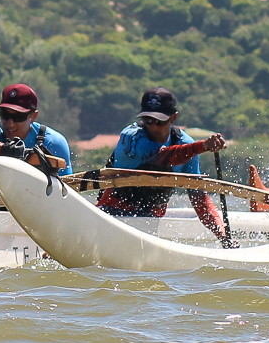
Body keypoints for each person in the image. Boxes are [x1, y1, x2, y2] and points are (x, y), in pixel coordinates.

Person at [94, 88, 229, 240]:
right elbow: (162, 157)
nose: (153, 127)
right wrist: (202, 146)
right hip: (111, 214)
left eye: (160, 121)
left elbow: (199, 200)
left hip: (150, 220)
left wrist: (223, 236)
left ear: (174, 118)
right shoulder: (131, 137)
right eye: (148, 120)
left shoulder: (185, 143)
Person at [0, 83, 73, 178]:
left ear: (33, 116)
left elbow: (68, 183)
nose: (10, 124)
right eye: (5, 115)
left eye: (19, 117)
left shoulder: (54, 143)